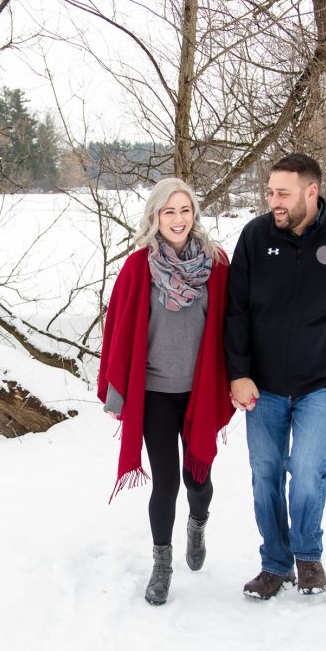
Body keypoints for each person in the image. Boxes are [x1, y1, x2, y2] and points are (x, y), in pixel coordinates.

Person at [224, 153, 326, 599]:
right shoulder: (256, 237)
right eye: (270, 192)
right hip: (265, 385)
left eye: (283, 193)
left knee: (309, 468)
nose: (273, 201)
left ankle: (308, 555)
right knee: (266, 473)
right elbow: (235, 311)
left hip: (323, 382)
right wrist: (237, 373)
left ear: (310, 192)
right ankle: (275, 563)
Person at [98, 177, 234, 606]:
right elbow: (118, 330)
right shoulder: (139, 266)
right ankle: (162, 564)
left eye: (185, 210)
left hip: (201, 392)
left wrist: (239, 379)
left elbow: (234, 327)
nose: (178, 219)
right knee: (166, 484)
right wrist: (116, 392)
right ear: (156, 217)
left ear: (194, 214)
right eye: (169, 211)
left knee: (199, 479)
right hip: (156, 393)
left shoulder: (216, 264)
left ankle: (198, 522)